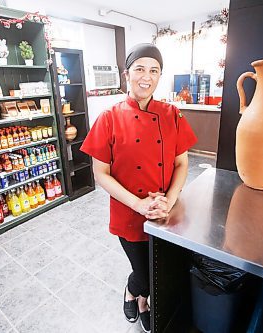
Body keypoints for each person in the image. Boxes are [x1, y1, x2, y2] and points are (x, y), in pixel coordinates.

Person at [80, 43, 197, 333]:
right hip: (129, 213)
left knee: (162, 269)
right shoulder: (108, 118)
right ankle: (136, 293)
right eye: (140, 69)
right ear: (127, 74)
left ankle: (141, 297)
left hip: (166, 212)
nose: (147, 76)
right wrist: (138, 204)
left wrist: (169, 200)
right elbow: (100, 173)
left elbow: (183, 164)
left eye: (154, 70)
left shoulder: (172, 114)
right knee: (145, 274)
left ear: (160, 77)